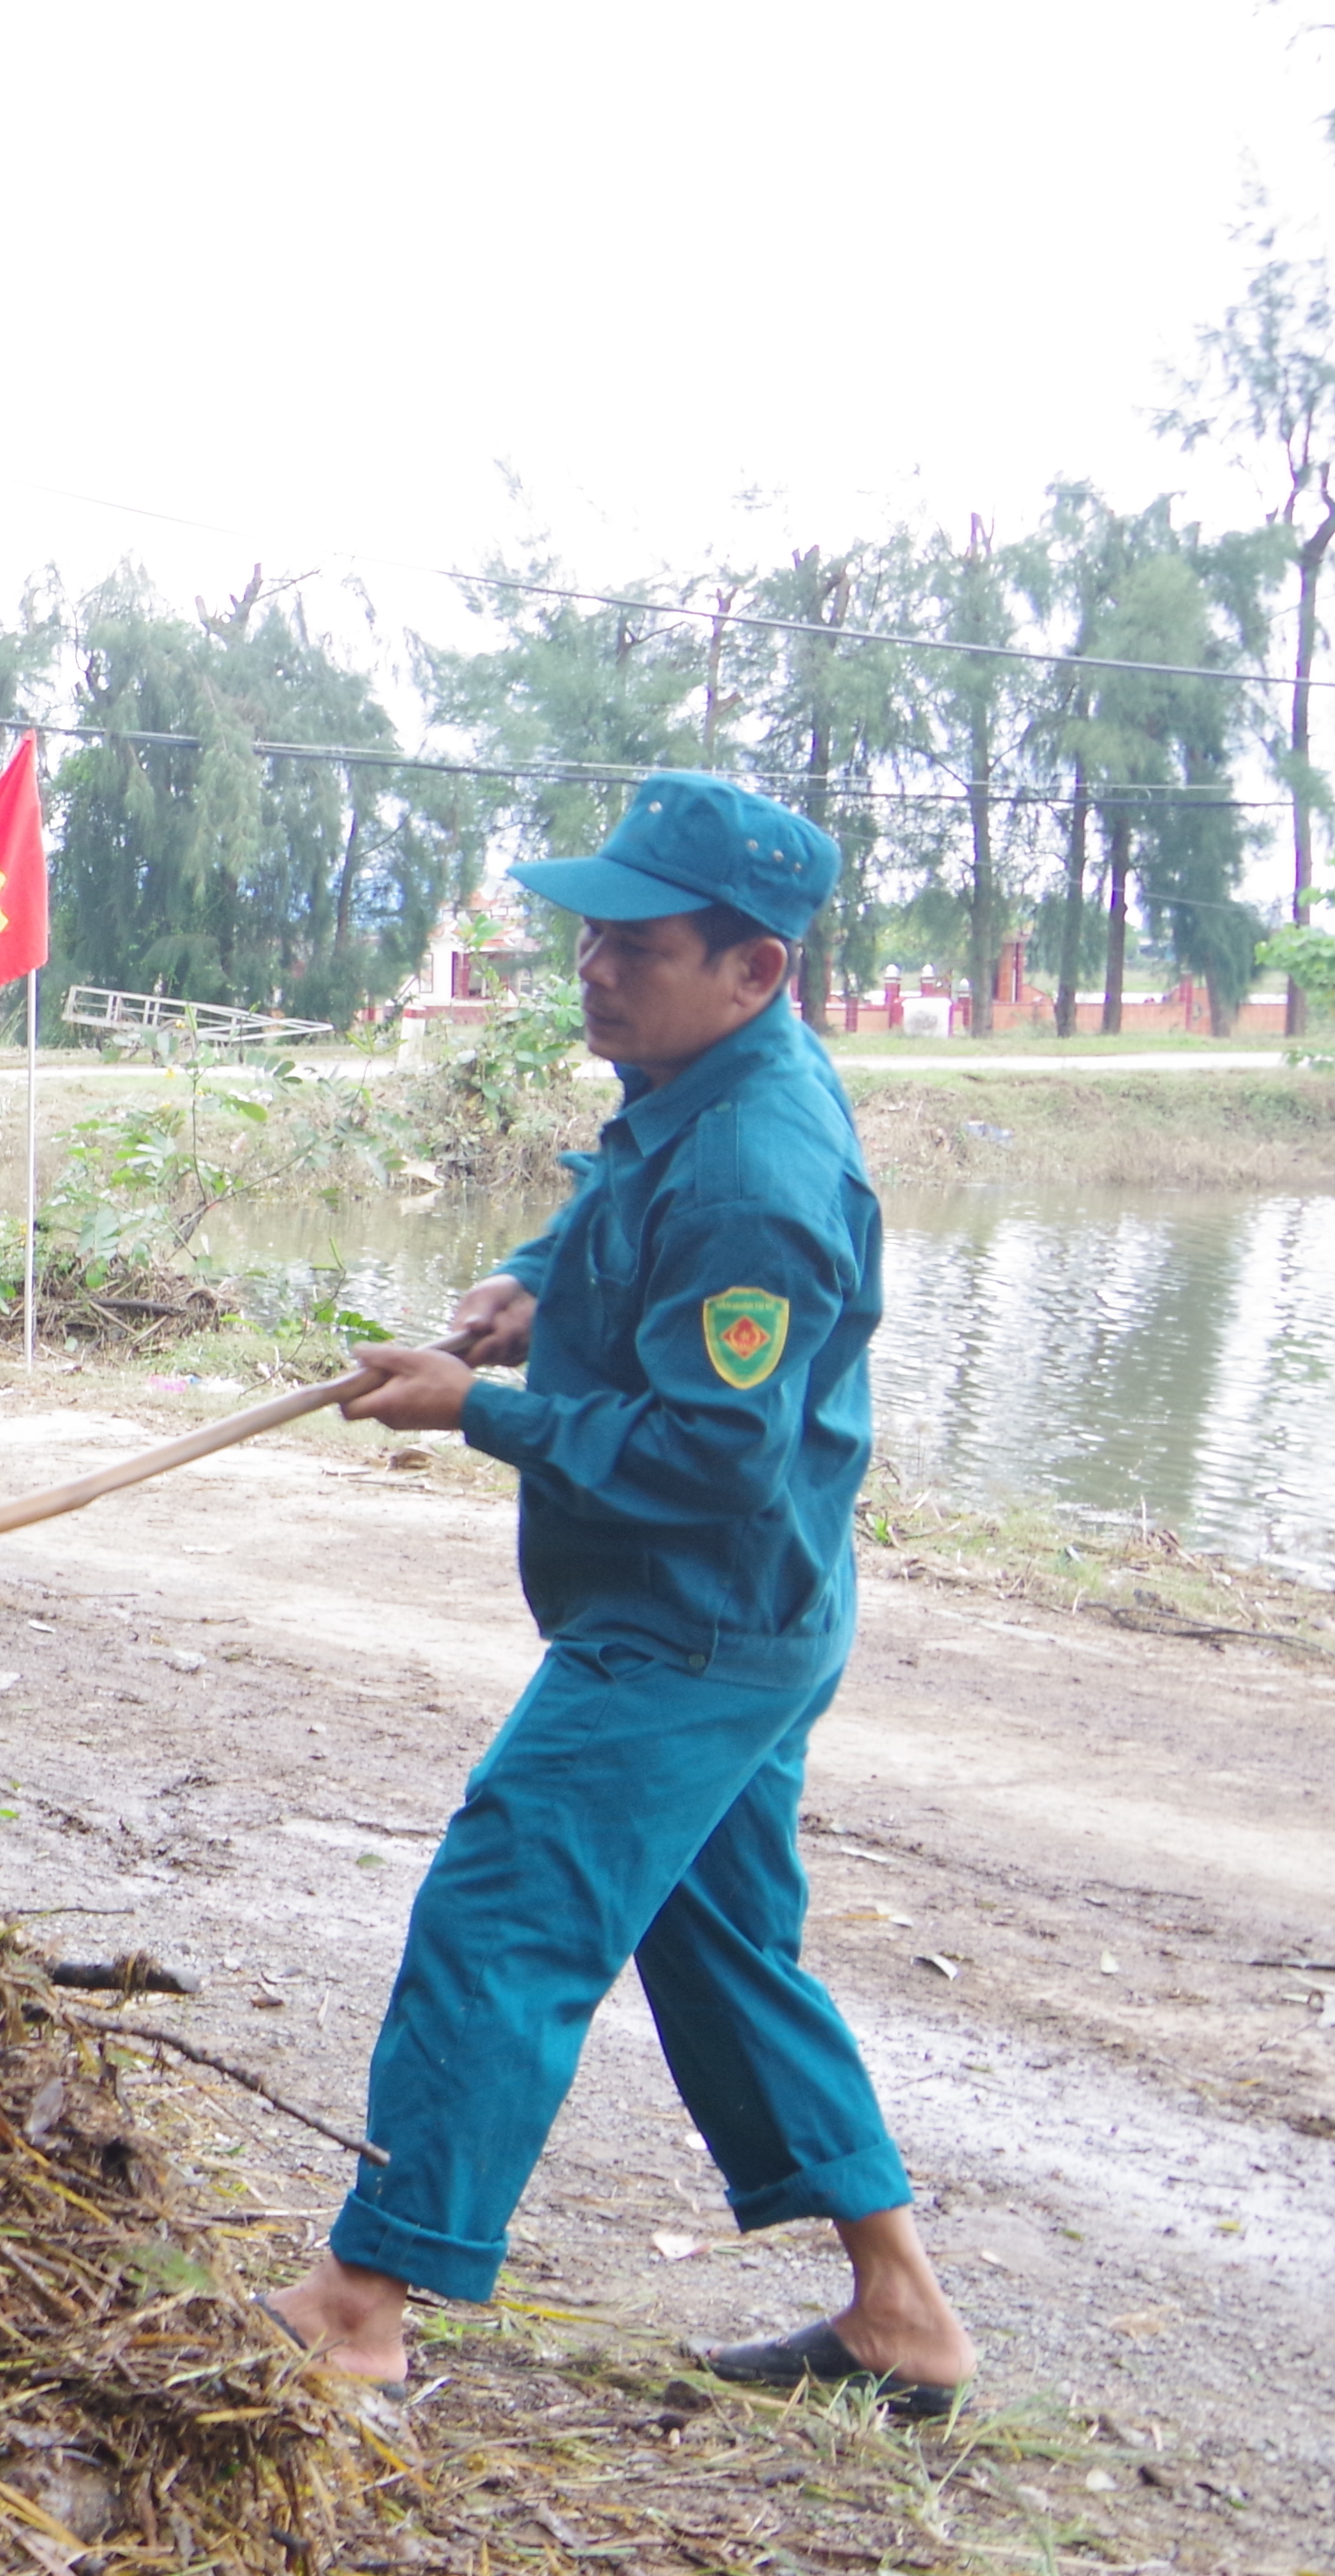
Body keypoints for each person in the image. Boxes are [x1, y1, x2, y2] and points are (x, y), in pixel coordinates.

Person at [268, 776, 973, 2414]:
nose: (596, 972)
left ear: (756, 970)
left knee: (506, 1907)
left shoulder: (757, 1167)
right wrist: (533, 1274)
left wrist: (480, 1409)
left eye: (638, 949)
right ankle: (902, 2315)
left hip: (696, 1619)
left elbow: (714, 1457)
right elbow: (618, 1198)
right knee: (726, 1950)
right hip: (748, 1605)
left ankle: (362, 2302)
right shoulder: (693, 1082)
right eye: (590, 938)